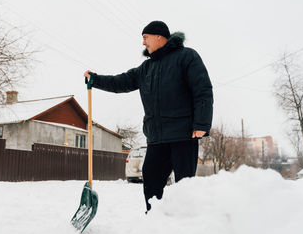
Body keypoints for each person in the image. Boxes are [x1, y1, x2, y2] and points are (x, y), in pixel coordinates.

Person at [84, 20, 213, 212]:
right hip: (156, 138)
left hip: (183, 135)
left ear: (159, 36)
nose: (143, 43)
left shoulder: (186, 57)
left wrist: (201, 123)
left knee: (184, 186)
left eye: (145, 38)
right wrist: (96, 80)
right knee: (151, 181)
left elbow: (202, 90)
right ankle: (154, 223)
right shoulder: (146, 68)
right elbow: (121, 82)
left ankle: (186, 225)